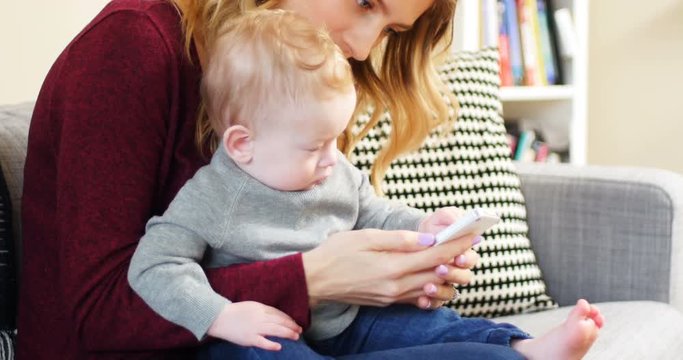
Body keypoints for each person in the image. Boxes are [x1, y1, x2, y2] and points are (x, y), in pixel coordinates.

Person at [15, 0, 593, 359]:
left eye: (390, 30)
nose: (365, 48)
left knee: (443, 335)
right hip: (172, 348)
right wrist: (312, 278)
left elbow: (351, 212)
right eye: (365, 3)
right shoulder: (134, 45)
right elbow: (95, 313)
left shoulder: (293, 86)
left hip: (301, 330)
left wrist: (407, 260)